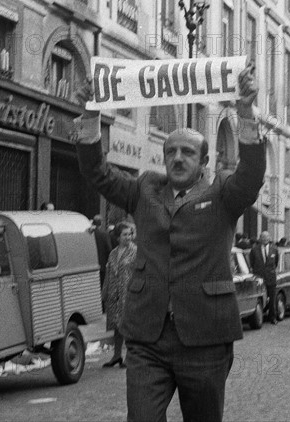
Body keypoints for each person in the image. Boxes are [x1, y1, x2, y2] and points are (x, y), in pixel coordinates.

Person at [73, 65, 265, 422]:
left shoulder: (223, 192)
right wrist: (89, 117)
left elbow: (252, 176)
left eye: (188, 152)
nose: (177, 157)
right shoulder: (145, 188)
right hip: (148, 337)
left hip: (205, 336)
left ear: (204, 161)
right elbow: (97, 173)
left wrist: (246, 113)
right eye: (171, 151)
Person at [102, 222, 136, 368]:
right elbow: (109, 273)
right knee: (116, 326)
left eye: (130, 234)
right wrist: (104, 293)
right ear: (118, 236)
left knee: (128, 326)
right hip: (114, 294)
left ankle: (130, 357)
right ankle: (116, 356)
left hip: (128, 294)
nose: (128, 237)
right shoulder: (113, 253)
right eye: (124, 235)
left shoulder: (136, 251)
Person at [250, 231, 279, 324]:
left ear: (269, 238)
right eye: (263, 237)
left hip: (271, 277)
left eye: (266, 237)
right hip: (259, 278)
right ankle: (260, 317)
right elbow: (252, 263)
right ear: (260, 238)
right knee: (259, 298)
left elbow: (276, 262)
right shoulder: (254, 249)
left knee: (272, 298)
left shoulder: (274, 249)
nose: (265, 239)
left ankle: (273, 317)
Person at [92, 214, 112, 290]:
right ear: (101, 223)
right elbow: (109, 249)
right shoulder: (104, 235)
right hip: (102, 266)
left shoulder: (89, 234)